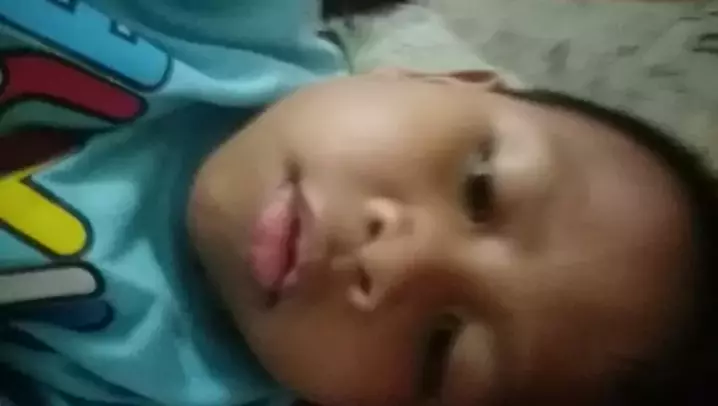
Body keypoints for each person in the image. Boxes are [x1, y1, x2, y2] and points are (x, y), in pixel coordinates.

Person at [1, 2, 716, 406]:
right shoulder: (223, 21)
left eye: (441, 347)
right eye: (479, 190)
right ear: (448, 80)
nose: (399, 259)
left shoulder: (159, 389)